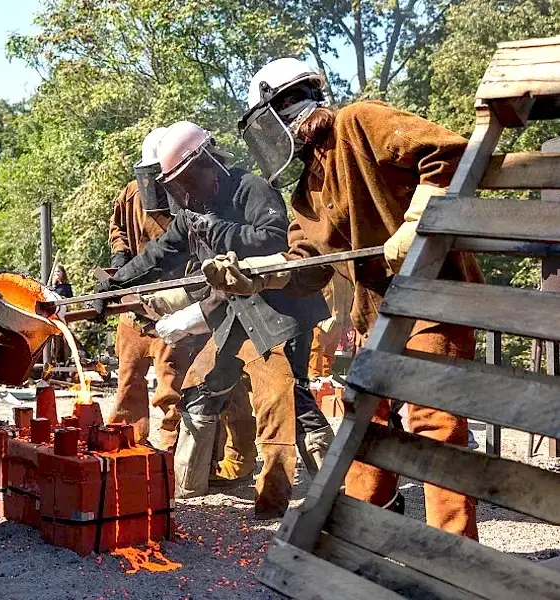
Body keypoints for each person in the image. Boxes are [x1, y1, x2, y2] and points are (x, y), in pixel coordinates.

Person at [204, 57, 481, 538]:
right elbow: (305, 269)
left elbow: (450, 152)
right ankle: (371, 531)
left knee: (434, 422)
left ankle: (453, 552)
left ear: (281, 107)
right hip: (379, 313)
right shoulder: (307, 189)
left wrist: (418, 218)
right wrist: (253, 278)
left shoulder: (360, 121)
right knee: (361, 420)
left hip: (435, 298)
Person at [95, 121, 331, 517]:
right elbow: (157, 255)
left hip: (281, 310)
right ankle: (185, 486)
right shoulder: (189, 213)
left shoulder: (251, 188)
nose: (184, 194)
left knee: (290, 403)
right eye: (177, 187)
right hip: (235, 314)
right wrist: (115, 284)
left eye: (188, 181)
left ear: (208, 163)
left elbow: (275, 239)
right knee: (202, 388)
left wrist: (219, 230)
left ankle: (329, 498)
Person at [106, 127, 198, 451]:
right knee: (128, 382)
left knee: (171, 387)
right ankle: (126, 448)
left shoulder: (188, 196)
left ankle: (172, 459)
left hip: (172, 303)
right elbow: (117, 226)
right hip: (134, 304)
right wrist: (120, 258)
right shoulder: (131, 194)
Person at [309, 272, 353, 379]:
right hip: (320, 320)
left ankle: (326, 376)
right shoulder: (318, 274)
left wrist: (347, 319)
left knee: (329, 353)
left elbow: (348, 298)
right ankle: (314, 376)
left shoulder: (342, 276)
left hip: (337, 319)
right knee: (316, 349)